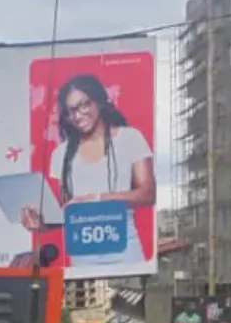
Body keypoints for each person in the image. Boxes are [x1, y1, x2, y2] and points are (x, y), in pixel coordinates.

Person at [19, 73, 156, 270]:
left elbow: (147, 193)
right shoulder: (61, 154)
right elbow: (66, 213)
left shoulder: (130, 138)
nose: (78, 115)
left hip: (126, 256)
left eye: (84, 105)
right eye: (70, 111)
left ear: (99, 102)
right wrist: (41, 223)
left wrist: (97, 198)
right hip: (82, 262)